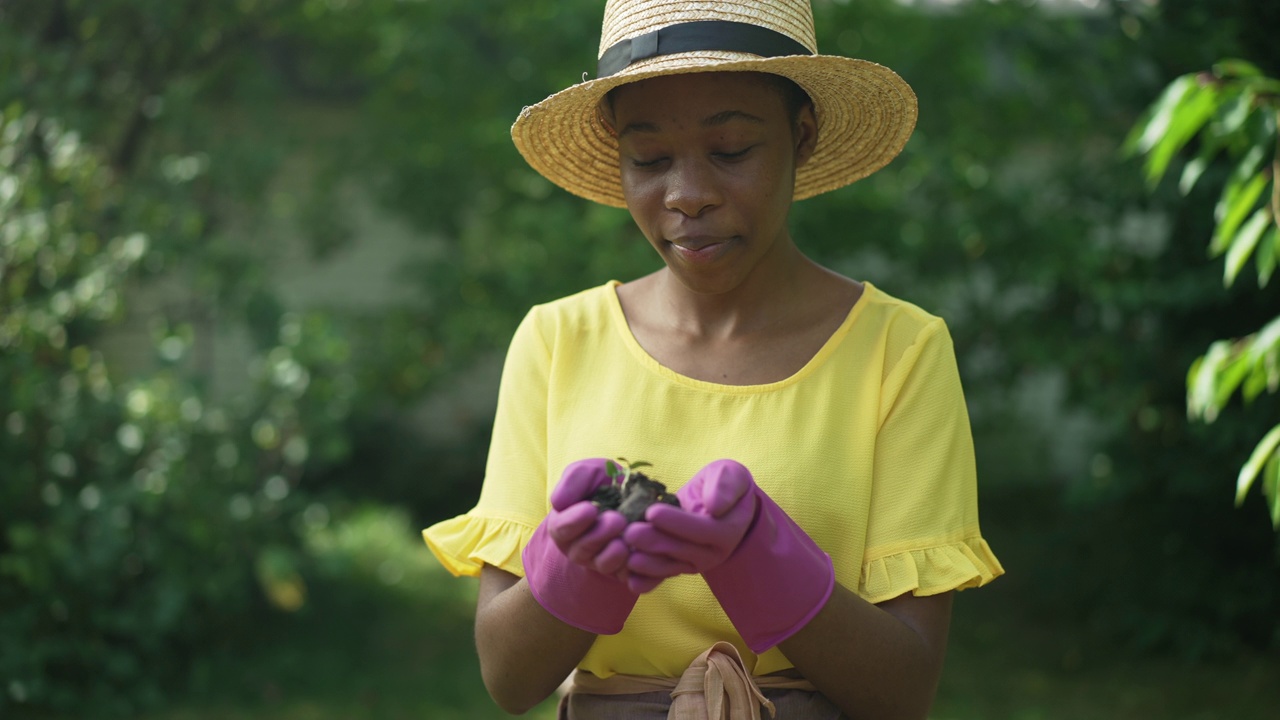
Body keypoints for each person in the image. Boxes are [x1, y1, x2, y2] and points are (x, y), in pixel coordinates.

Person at [423, 1, 1004, 717]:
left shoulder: (898, 351)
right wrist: (581, 566)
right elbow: (510, 682)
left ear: (802, 135)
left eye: (730, 150)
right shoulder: (557, 341)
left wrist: (761, 558)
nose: (688, 195)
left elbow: (903, 690)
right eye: (649, 159)